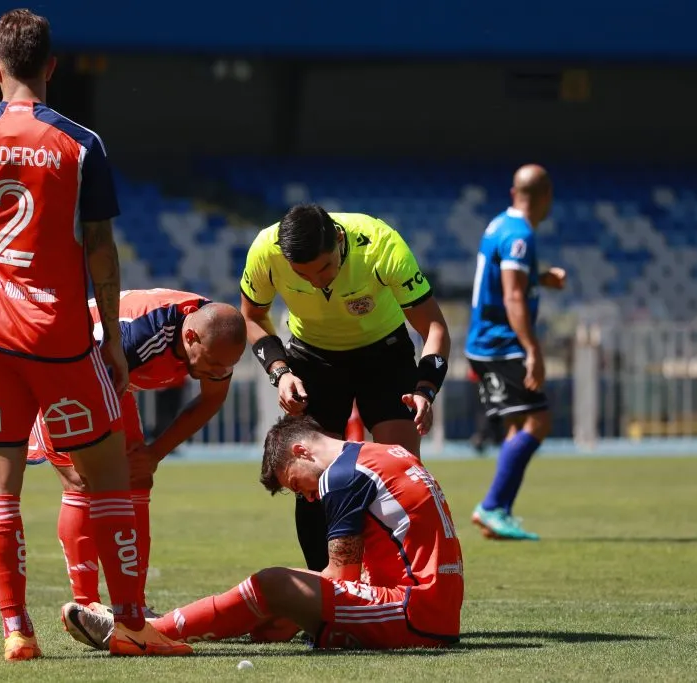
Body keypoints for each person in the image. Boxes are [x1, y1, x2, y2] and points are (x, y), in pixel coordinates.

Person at [0, 11, 189, 658]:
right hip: (57, 332)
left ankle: (15, 629)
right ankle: (134, 622)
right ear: (53, 66)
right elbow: (103, 250)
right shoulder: (80, 143)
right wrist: (111, 336)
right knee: (110, 475)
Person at [61, 414, 464, 651]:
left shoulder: (341, 476)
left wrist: (287, 609)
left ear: (300, 451)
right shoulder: (386, 452)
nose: (305, 497)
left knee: (272, 583)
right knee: (282, 592)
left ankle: (144, 634)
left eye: (294, 483)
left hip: (413, 612)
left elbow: (341, 579)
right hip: (432, 608)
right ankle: (155, 628)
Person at [239, 204, 451, 572]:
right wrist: (280, 371)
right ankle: (328, 595)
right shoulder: (265, 250)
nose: (317, 282)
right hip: (312, 359)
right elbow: (252, 316)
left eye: (324, 268)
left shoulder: (381, 244)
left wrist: (425, 389)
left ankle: (402, 587)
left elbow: (434, 327)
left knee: (400, 473)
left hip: (384, 354)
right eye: (302, 275)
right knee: (311, 481)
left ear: (339, 240)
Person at [27, 289, 246, 619]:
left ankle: (133, 604)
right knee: (83, 484)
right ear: (190, 337)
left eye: (227, 366)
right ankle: (86, 605)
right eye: (214, 363)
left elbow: (211, 399)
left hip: (113, 382)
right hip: (63, 375)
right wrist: (61, 464)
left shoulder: (216, 339)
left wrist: (154, 453)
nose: (219, 372)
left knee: (138, 477)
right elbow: (59, 383)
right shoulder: (138, 337)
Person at [465, 164, 566, 541]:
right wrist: (533, 349)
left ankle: (500, 513)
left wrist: (541, 278)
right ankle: (492, 507)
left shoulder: (498, 225)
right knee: (539, 421)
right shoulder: (520, 234)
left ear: (513, 193)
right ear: (546, 198)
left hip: (487, 340)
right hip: (501, 343)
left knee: (515, 424)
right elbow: (511, 294)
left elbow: (503, 279)